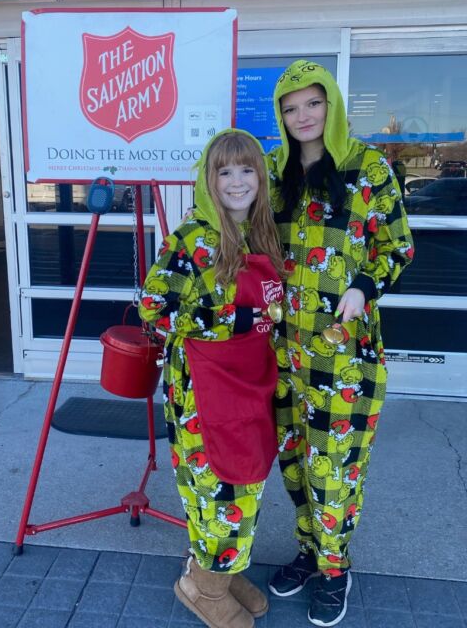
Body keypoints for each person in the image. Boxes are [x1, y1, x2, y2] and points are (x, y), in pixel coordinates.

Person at [266, 60, 414, 627]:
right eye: (290, 107)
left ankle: (334, 568)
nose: (302, 116)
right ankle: (310, 549)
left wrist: (362, 285)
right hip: (281, 355)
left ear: (332, 105)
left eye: (313, 103)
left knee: (335, 470)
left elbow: (398, 246)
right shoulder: (275, 171)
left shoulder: (368, 167)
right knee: (296, 465)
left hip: (344, 356)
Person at [139, 129, 285, 628]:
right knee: (221, 486)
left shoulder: (262, 233)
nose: (237, 181)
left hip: (251, 381)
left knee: (245, 482)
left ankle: (219, 568)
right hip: (205, 389)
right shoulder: (193, 238)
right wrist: (241, 323)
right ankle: (202, 587)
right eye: (225, 171)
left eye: (247, 170)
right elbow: (152, 309)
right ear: (209, 179)